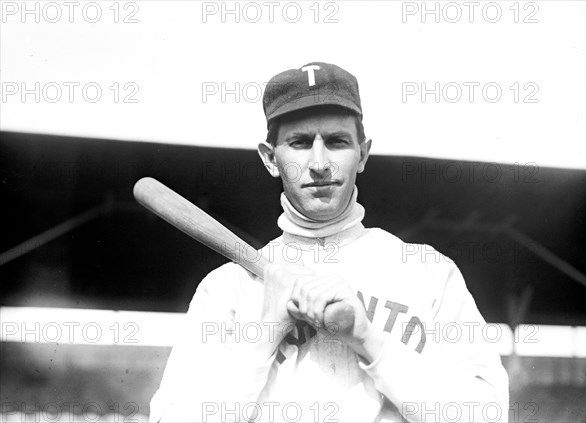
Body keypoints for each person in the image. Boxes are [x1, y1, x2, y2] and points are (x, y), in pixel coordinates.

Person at [149, 62, 509, 423]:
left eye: (336, 142)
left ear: (363, 153)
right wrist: (265, 331)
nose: (319, 163)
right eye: (300, 143)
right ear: (271, 158)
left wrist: (368, 338)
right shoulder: (227, 288)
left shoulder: (427, 272)